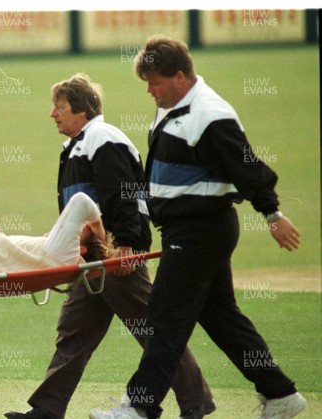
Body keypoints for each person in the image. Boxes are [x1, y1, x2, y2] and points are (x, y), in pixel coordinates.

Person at [89, 36, 306, 419]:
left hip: (200, 231)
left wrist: (272, 214)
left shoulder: (210, 114)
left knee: (165, 315)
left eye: (155, 82)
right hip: (184, 231)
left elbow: (247, 166)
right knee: (221, 318)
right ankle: (280, 393)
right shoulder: (172, 106)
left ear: (179, 75)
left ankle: (139, 406)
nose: (150, 91)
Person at [4, 73, 214, 419]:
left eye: (59, 107)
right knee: (74, 333)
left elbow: (123, 193)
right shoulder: (78, 145)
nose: (52, 114)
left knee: (151, 329)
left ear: (82, 110)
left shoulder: (102, 137)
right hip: (92, 259)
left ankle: (195, 400)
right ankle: (47, 410)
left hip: (115, 254)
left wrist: (128, 243)